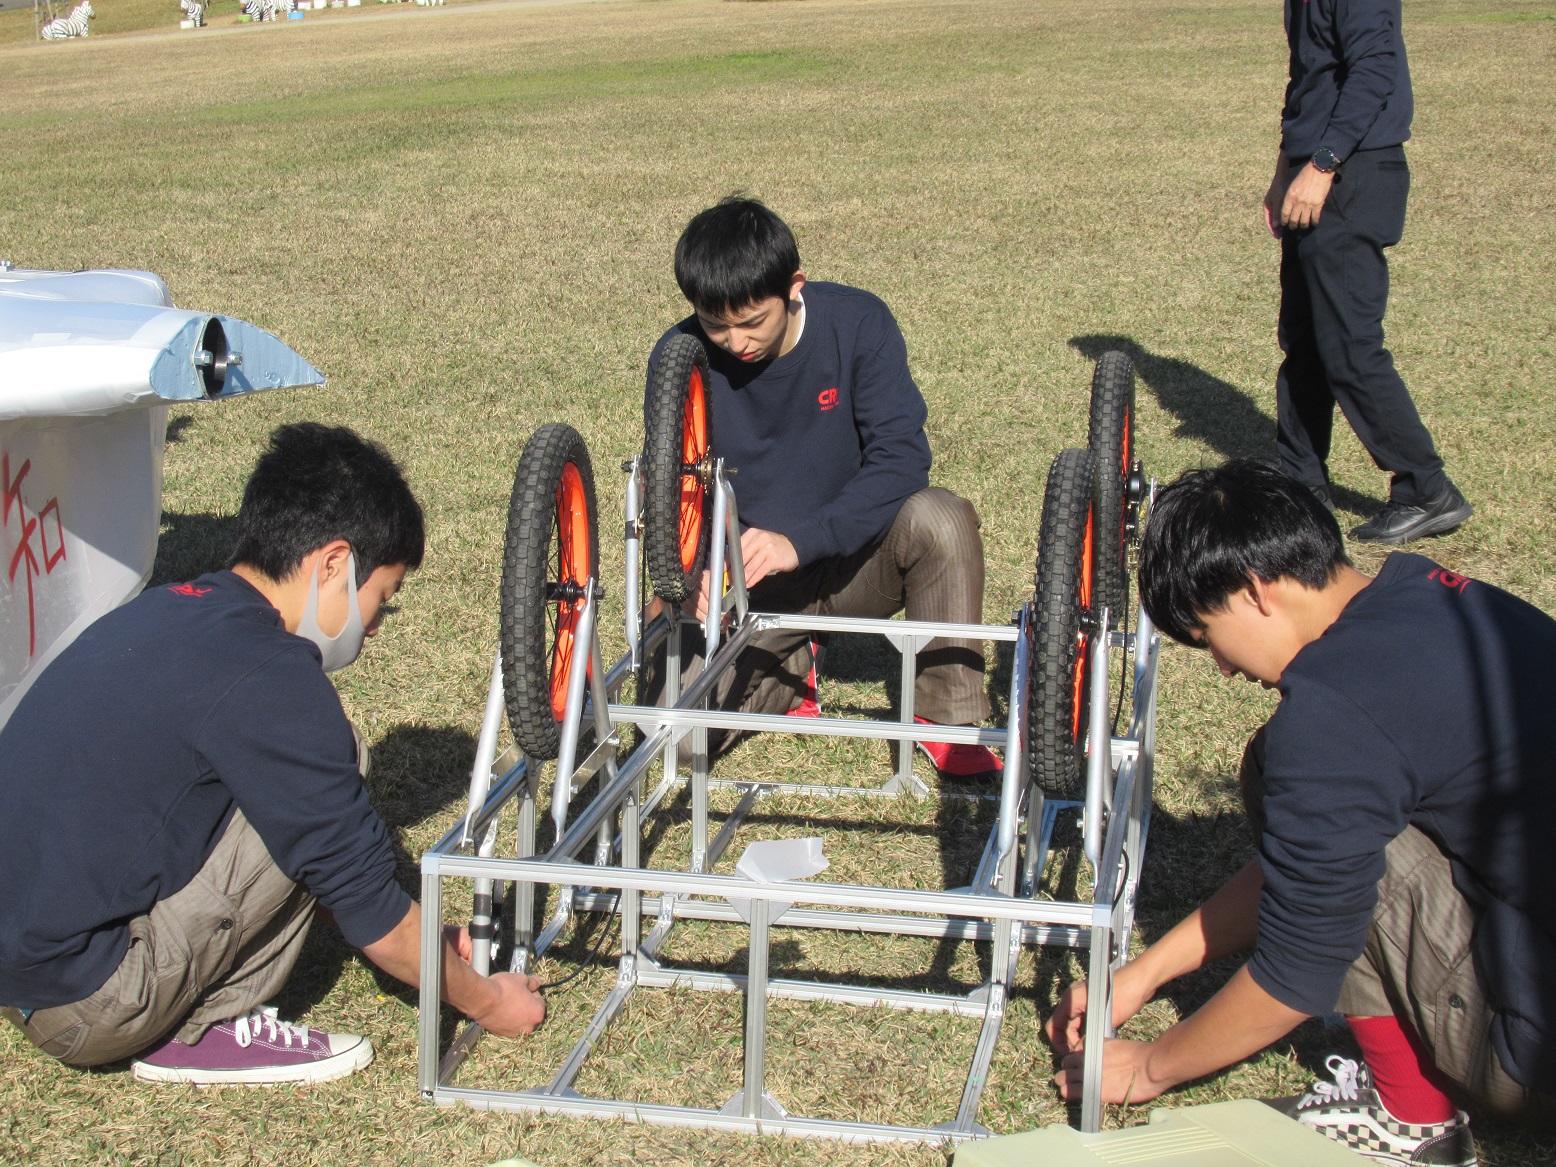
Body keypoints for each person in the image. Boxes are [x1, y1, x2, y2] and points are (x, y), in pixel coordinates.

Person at [0, 423, 544, 1085]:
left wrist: (426, 937)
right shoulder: (275, 681)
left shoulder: (170, 608)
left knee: (292, 790)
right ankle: (206, 1029)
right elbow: (366, 902)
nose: (373, 626)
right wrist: (491, 1001)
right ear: (335, 563)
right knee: (332, 755)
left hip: (26, 963)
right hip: (88, 1003)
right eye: (382, 600)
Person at [1046, 461, 1553, 1164]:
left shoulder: (1328, 719)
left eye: (1204, 634)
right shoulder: (1433, 594)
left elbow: (1295, 972)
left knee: (1287, 777)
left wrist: (1149, 1066)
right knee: (1335, 820)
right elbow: (1308, 857)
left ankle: (1409, 1115)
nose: (1223, 667)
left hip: (1535, 1057)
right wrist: (1147, 972)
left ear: (1255, 589)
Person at [643, 196, 997, 776]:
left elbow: (901, 459)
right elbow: (674, 495)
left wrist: (800, 541)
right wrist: (695, 577)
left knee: (941, 518)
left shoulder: (859, 324)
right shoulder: (679, 362)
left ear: (794, 287)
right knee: (677, 741)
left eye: (752, 321)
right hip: (750, 585)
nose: (735, 342)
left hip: (856, 560)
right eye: (715, 324)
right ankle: (794, 669)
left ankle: (947, 715)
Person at [1263, 0, 1471, 544]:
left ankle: (1426, 489)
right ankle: (1299, 486)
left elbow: (1374, 67)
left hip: (1352, 173)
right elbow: (1309, 78)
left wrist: (1323, 165)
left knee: (1350, 347)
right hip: (1316, 169)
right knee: (1305, 342)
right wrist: (1285, 169)